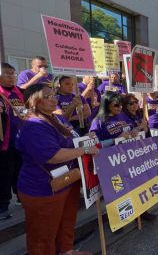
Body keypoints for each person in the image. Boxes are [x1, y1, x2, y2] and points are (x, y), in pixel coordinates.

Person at [16, 83, 98, 255]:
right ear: (34, 101)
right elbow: (53, 155)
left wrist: (86, 139)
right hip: (43, 189)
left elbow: (70, 142)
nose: (54, 99)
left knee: (66, 224)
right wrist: (84, 150)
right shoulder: (33, 125)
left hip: (68, 181)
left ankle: (67, 251)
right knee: (42, 237)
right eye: (47, 96)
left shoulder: (57, 118)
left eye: (54, 95)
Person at [0, 63, 25, 219]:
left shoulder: (19, 92)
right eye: (7, 73)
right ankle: (3, 206)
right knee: (4, 173)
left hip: (20, 140)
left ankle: (21, 197)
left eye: (13, 73)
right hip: (4, 142)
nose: (11, 77)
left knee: (20, 170)